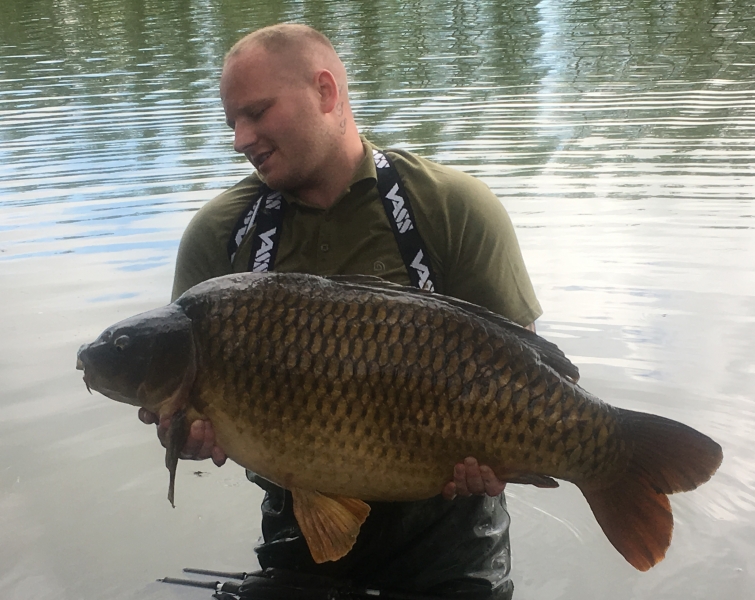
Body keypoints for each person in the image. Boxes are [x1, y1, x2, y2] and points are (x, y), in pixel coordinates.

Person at [139, 23, 543, 599]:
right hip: (297, 532)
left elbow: (525, 374)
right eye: (232, 121)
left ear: (326, 91)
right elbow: (177, 404)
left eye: (255, 112)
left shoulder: (453, 208)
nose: (240, 138)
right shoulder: (220, 238)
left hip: (452, 539)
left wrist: (504, 456)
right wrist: (183, 434)